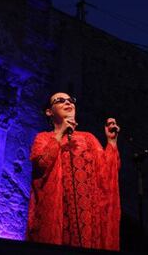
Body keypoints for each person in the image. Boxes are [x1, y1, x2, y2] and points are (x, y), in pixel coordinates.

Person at [26, 92, 121, 251]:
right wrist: (60, 134)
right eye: (60, 100)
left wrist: (111, 142)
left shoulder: (88, 138)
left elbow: (106, 173)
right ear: (49, 112)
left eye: (71, 100)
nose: (68, 103)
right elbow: (42, 164)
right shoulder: (43, 138)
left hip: (87, 220)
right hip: (58, 215)